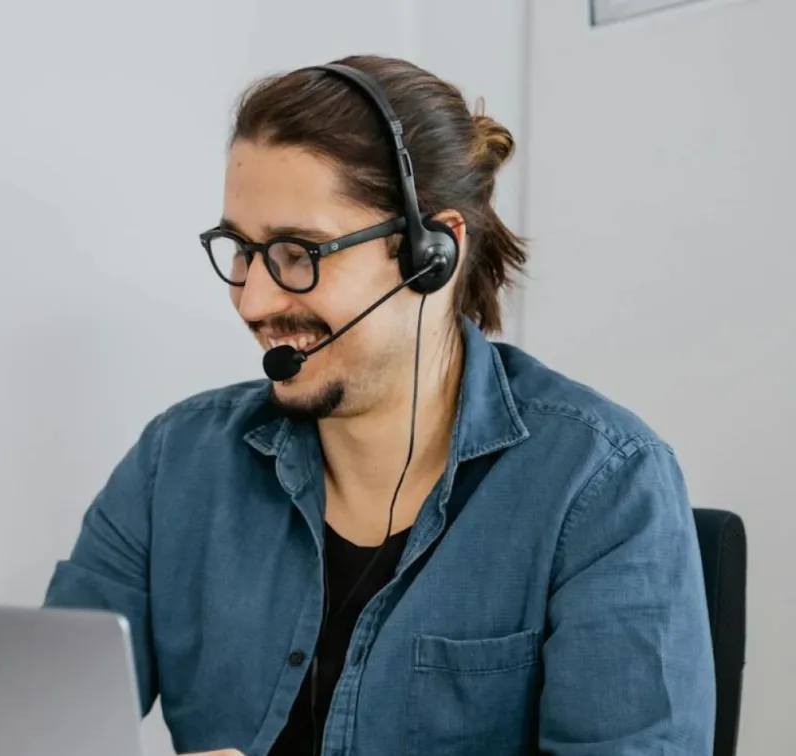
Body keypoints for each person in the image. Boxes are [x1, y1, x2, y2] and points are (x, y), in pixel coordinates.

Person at [44, 55, 715, 756]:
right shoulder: (174, 463)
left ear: (433, 255)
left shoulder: (601, 485)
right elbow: (38, 725)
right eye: (240, 249)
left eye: (298, 252)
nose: (254, 299)